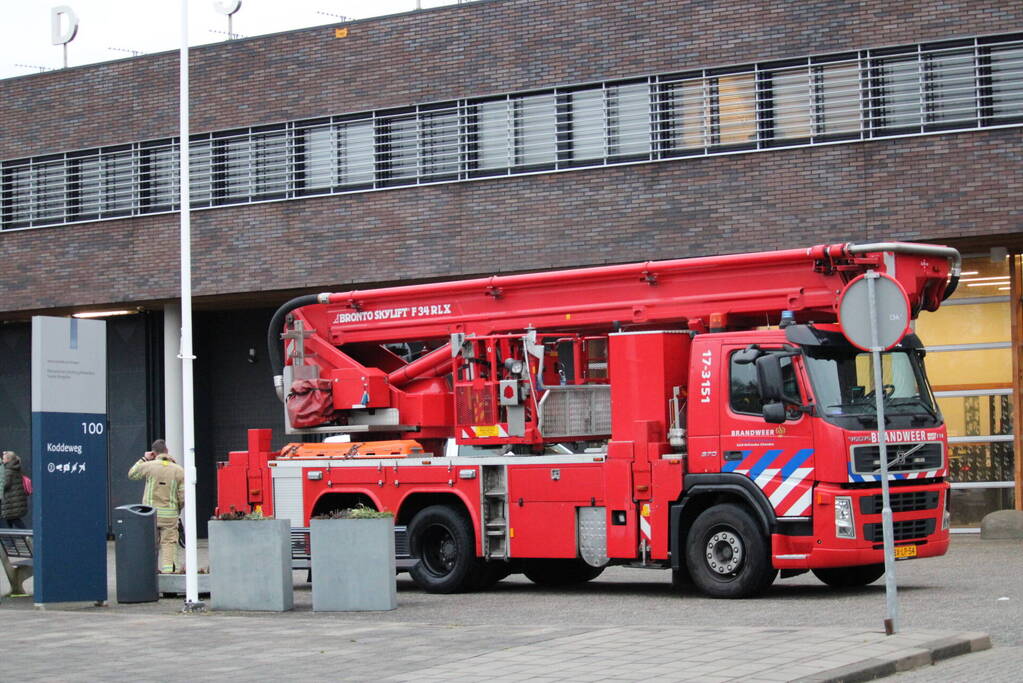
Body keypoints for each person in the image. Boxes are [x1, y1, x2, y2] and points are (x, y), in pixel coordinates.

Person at [128, 440, 184, 573]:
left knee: (150, 545)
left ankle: (149, 575)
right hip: (170, 515)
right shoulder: (178, 470)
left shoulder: (149, 466)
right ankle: (169, 573)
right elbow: (183, 496)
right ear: (167, 451)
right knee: (169, 544)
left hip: (150, 515)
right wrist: (177, 510)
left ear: (154, 453)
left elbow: (132, 474)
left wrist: (144, 459)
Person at [1, 451, 28, 529]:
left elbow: (5, 484)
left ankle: (27, 537)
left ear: (8, 460)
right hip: (14, 500)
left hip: (11, 501)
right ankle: (12, 539)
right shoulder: (15, 468)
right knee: (10, 519)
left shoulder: (8, 471)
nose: (2, 460)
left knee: (14, 519)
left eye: (3, 459)